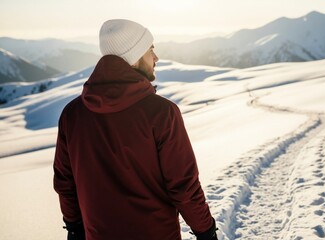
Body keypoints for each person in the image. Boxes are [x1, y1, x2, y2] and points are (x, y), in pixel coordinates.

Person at [53, 19, 217, 240]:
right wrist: (206, 232)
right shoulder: (161, 113)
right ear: (135, 56)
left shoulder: (72, 114)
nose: (156, 58)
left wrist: (74, 227)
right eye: (151, 50)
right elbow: (184, 187)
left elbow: (65, 182)